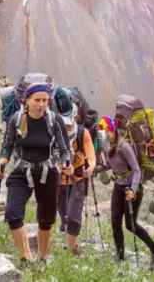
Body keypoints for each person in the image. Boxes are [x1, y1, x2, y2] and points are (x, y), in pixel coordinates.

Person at [0, 82, 73, 264]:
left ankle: (43, 257)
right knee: (13, 214)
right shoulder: (16, 119)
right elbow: (7, 146)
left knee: (46, 220)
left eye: (45, 100)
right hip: (22, 171)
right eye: (37, 100)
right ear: (27, 101)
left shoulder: (54, 120)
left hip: (48, 172)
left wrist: (67, 164)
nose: (41, 104)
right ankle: (25, 257)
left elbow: (64, 148)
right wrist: (1, 163)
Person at [106, 115, 154, 270]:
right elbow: (111, 165)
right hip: (119, 186)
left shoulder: (124, 146)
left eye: (106, 130)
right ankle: (120, 257)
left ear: (113, 130)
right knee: (115, 221)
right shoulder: (109, 145)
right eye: (103, 130)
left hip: (131, 188)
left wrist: (133, 190)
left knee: (130, 225)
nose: (104, 133)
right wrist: (92, 169)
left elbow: (137, 170)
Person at [58, 104, 96, 254]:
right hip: (60, 180)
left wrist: (91, 166)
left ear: (75, 117)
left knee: (73, 214)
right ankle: (71, 243)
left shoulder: (83, 133)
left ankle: (72, 249)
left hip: (78, 179)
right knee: (63, 214)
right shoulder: (54, 132)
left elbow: (91, 154)